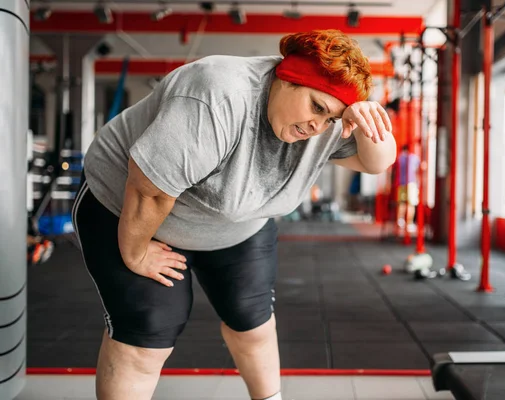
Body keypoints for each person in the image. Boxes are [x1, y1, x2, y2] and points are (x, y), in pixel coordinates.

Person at [71, 29, 396, 400]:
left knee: (252, 319)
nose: (317, 127)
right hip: (128, 207)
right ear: (285, 78)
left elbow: (376, 163)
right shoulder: (218, 94)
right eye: (317, 108)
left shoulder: (327, 124)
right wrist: (135, 252)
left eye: (331, 119)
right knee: (149, 328)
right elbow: (150, 189)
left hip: (236, 224)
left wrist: (371, 123)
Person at [396, 144, 420, 231]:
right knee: (411, 204)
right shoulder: (414, 158)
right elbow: (419, 169)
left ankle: (400, 221)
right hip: (411, 183)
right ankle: (409, 223)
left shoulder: (399, 158)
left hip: (401, 183)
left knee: (401, 203)